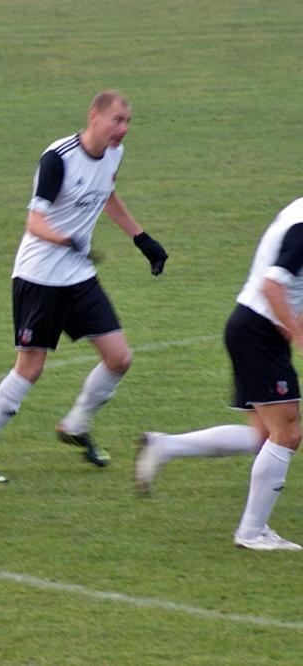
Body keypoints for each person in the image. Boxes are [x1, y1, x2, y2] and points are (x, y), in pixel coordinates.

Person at [0, 90, 169, 483]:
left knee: (119, 357)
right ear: (94, 116)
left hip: (78, 277)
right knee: (31, 368)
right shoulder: (58, 158)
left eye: (127, 122)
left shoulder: (113, 154)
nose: (122, 129)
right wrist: (66, 239)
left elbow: (106, 195)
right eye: (116, 120)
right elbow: (34, 222)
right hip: (39, 278)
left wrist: (142, 239)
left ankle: (75, 424)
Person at [139, 198, 303, 551]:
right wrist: (298, 334)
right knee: (288, 432)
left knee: (264, 437)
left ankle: (165, 445)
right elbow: (273, 287)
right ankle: (252, 532)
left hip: (247, 326)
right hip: (260, 333)